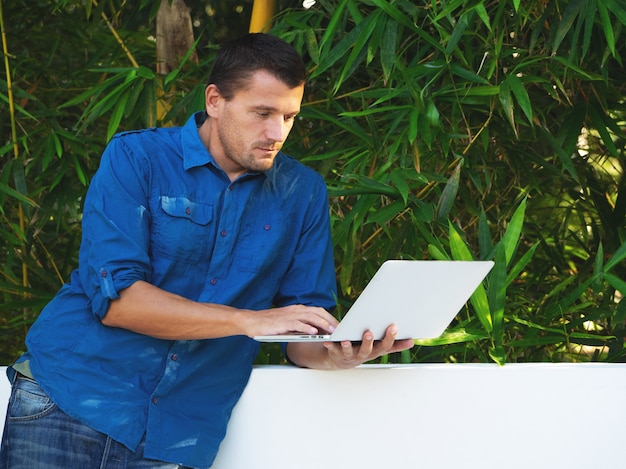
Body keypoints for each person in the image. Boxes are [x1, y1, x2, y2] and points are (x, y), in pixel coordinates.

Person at [0, 33, 413, 469]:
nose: (277, 133)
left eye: (290, 116)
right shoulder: (136, 157)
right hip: (71, 397)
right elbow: (118, 302)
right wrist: (250, 321)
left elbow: (299, 335)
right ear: (215, 100)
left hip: (179, 430)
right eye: (263, 113)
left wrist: (337, 352)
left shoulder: (302, 192)